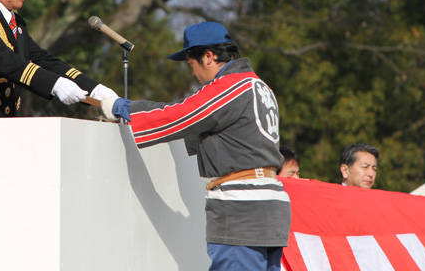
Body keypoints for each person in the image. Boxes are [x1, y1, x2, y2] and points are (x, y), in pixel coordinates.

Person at [100, 22, 291, 271]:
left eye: (191, 63)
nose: (192, 73)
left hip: (242, 208)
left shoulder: (230, 86)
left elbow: (179, 115)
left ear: (208, 56)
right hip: (270, 206)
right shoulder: (258, 85)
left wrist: (123, 108)